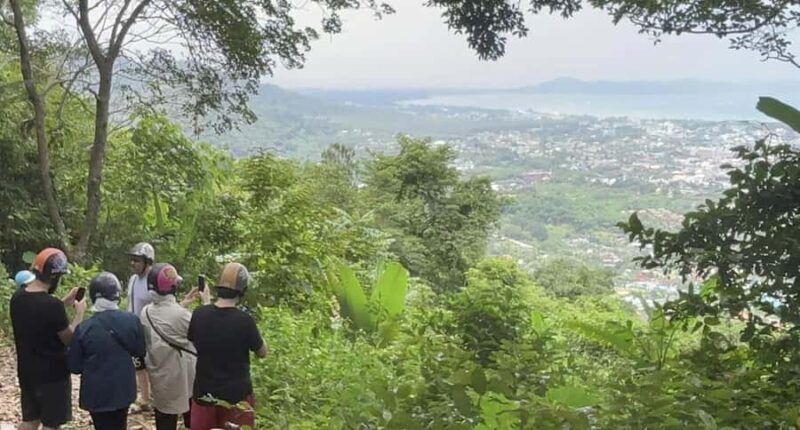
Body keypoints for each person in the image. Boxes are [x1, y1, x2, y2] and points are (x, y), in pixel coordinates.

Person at [10, 248, 87, 430]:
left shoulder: (18, 297)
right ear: (55, 276)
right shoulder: (51, 306)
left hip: (27, 371)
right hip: (53, 376)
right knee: (51, 424)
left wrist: (62, 303)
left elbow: (39, 313)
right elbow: (68, 339)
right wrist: (79, 315)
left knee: (30, 420)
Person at [189, 262, 268, 430]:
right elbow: (262, 352)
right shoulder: (245, 321)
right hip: (237, 398)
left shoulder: (199, 314)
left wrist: (206, 305)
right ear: (242, 290)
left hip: (204, 395)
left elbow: (194, 340)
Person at [67, 272, 146, 430]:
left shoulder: (84, 328)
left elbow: (74, 367)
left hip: (96, 394)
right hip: (124, 390)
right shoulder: (132, 321)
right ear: (117, 295)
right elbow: (140, 351)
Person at [140, 263, 200, 430]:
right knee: (192, 421)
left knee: (165, 420)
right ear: (173, 288)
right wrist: (207, 303)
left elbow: (166, 316)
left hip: (160, 378)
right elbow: (202, 334)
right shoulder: (182, 316)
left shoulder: (145, 313)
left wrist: (183, 303)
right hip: (184, 378)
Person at [126, 242, 155, 412]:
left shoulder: (153, 280)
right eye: (132, 260)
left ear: (147, 262)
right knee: (139, 365)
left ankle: (155, 398)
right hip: (134, 327)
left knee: (153, 365)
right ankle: (144, 398)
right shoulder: (133, 280)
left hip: (150, 329)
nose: (133, 263)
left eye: (137, 260)